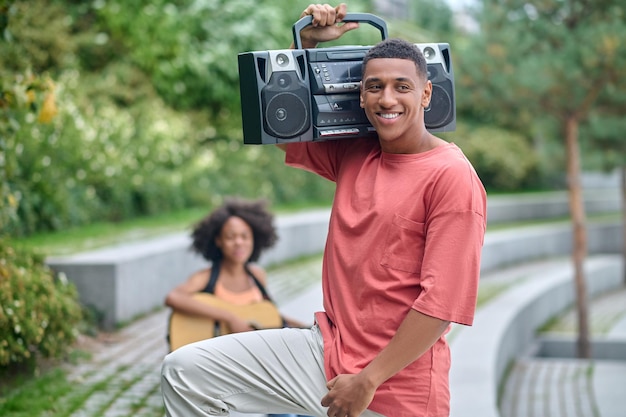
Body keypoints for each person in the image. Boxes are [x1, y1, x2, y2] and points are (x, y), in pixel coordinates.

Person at [161, 3, 487, 417]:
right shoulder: (356, 152)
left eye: (402, 87)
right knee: (186, 371)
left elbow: (441, 307)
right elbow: (281, 128)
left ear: (426, 93)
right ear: (362, 95)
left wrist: (368, 380)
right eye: (374, 86)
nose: (387, 98)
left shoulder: (452, 177)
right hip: (326, 352)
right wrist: (305, 46)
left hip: (394, 387)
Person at [164, 197, 309, 417]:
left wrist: (307, 327)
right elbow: (173, 297)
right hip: (222, 366)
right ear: (218, 241)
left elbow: (269, 317)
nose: (239, 242)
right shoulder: (206, 277)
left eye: (245, 236)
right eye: (231, 237)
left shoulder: (257, 276)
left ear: (255, 240)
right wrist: (230, 318)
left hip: (255, 363)